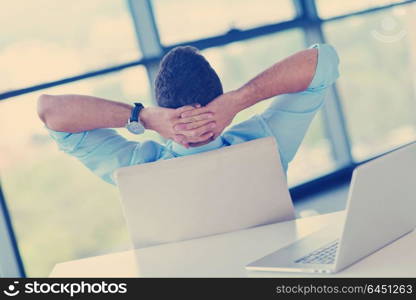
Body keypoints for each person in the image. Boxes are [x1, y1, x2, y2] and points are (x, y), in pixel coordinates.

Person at [37, 44, 339, 185]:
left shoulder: (137, 167)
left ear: (162, 108)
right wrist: (237, 101)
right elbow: (322, 60)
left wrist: (141, 117)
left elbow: (50, 111)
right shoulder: (265, 141)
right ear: (218, 97)